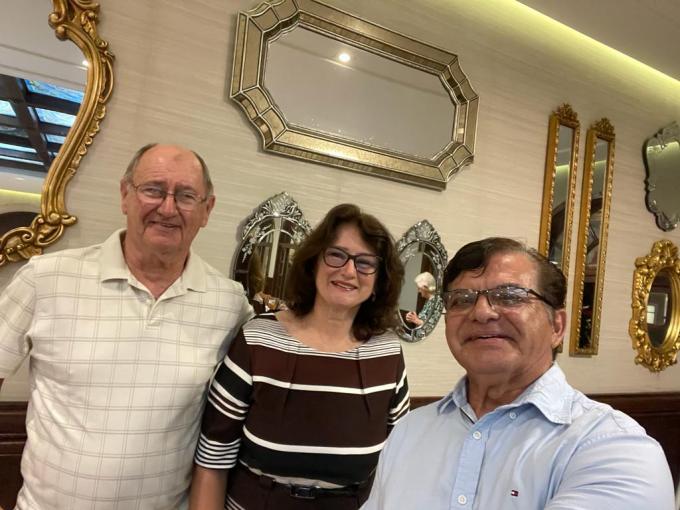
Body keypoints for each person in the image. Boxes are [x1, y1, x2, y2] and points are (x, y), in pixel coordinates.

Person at [0, 143, 253, 509]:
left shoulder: (229, 304)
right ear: (125, 195)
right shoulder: (45, 278)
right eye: (153, 189)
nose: (167, 208)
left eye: (186, 196)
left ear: (207, 210)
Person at [363, 237, 675, 510]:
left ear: (557, 326)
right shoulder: (410, 432)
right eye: (462, 300)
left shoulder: (613, 448)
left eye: (510, 296)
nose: (481, 312)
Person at [190, 203, 410, 510]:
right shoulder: (258, 339)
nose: (348, 271)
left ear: (379, 281)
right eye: (336, 255)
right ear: (313, 262)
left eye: (365, 263)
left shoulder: (386, 352)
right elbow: (212, 461)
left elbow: (398, 461)